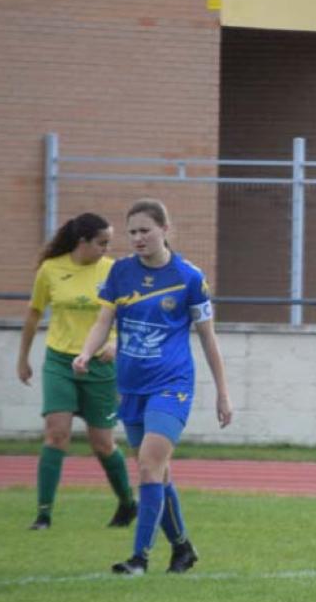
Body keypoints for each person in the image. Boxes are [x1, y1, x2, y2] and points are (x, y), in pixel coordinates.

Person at [74, 199, 232, 575]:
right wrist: (85, 352)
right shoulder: (120, 274)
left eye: (145, 230)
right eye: (132, 232)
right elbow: (103, 321)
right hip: (131, 385)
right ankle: (182, 548)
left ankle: (139, 559)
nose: (138, 238)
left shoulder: (189, 277)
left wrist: (223, 392)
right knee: (158, 473)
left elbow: (209, 339)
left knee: (148, 466)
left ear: (165, 229)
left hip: (172, 384)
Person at [18, 213, 136, 531]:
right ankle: (43, 515)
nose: (106, 249)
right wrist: (23, 358)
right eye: (102, 243)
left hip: (100, 366)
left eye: (108, 243)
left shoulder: (114, 271)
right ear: (82, 242)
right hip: (60, 363)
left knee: (102, 444)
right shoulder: (51, 270)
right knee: (56, 434)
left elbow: (130, 316)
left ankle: (127, 503)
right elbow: (33, 314)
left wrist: (116, 343)